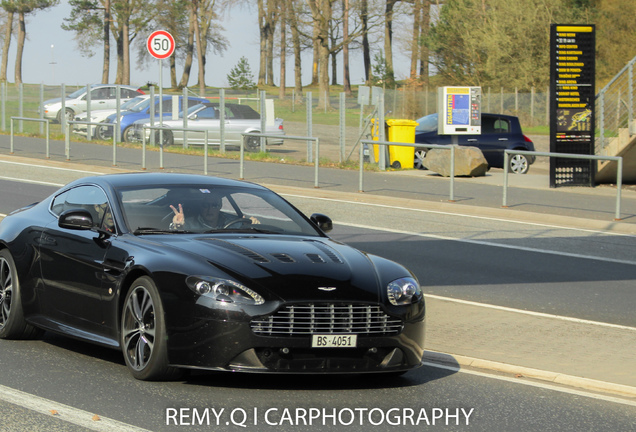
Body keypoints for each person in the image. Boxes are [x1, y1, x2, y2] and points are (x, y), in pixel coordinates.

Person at [169, 193, 259, 231]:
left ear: (220, 206)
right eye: (205, 205)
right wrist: (177, 227)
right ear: (200, 207)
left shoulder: (234, 222)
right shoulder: (188, 223)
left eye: (214, 205)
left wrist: (252, 225)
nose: (210, 209)